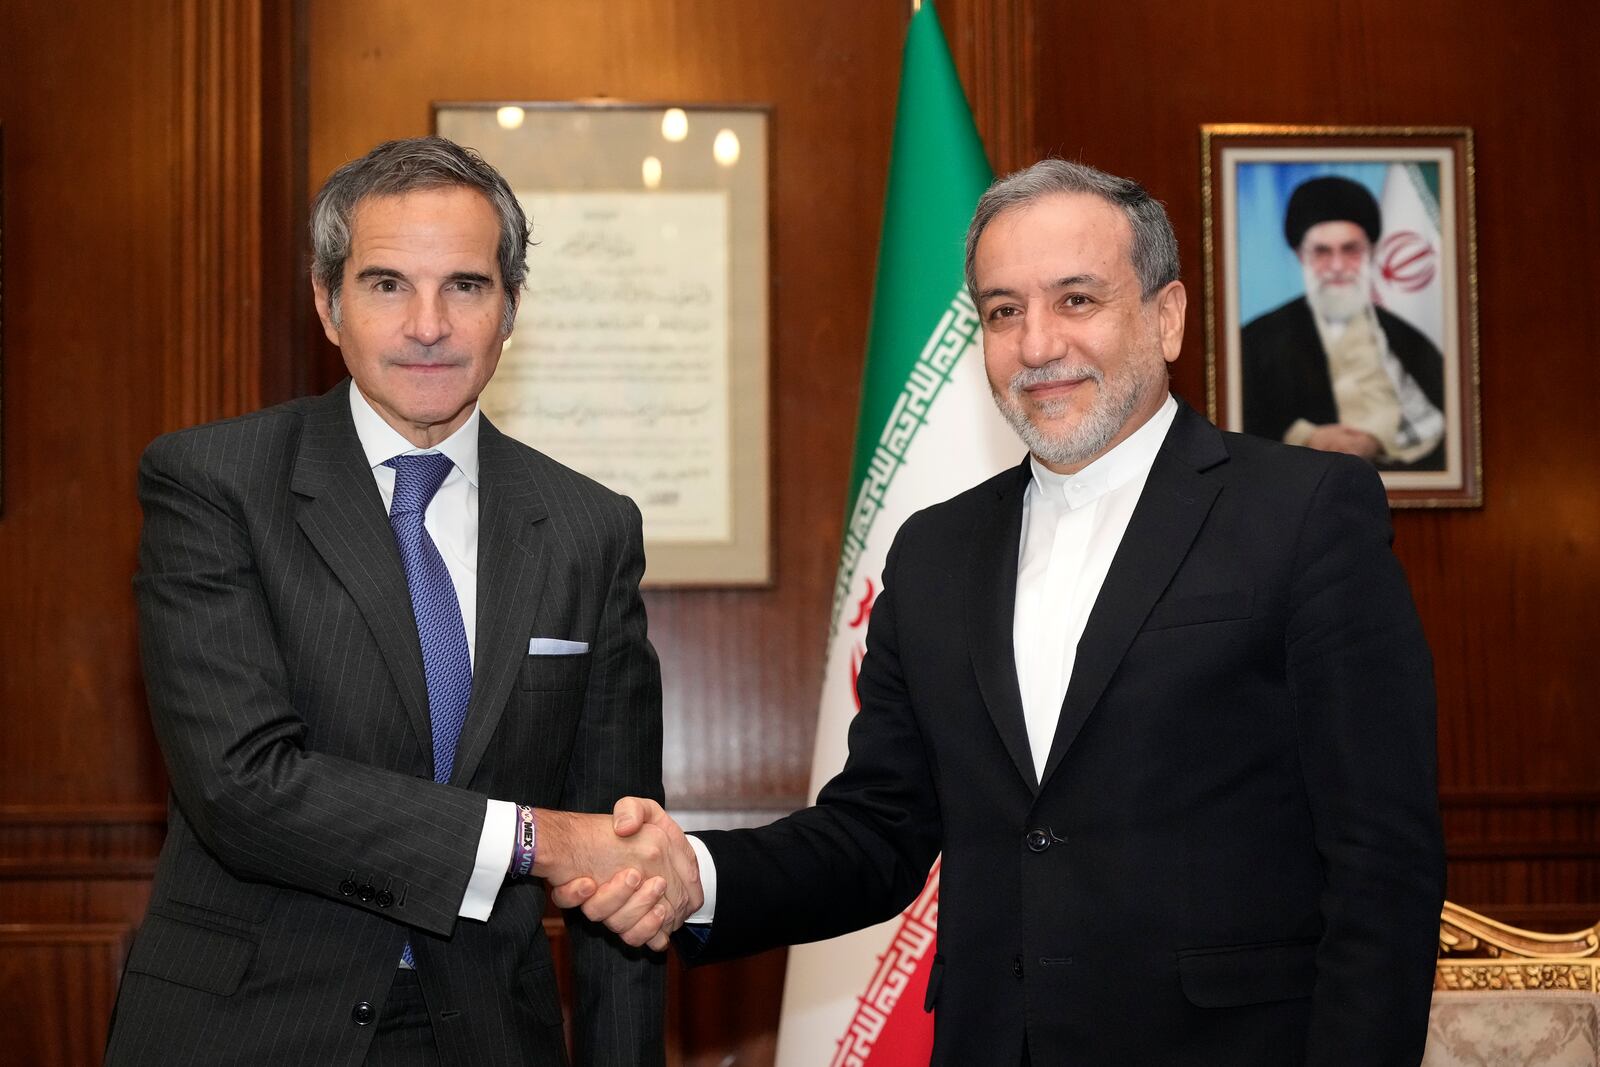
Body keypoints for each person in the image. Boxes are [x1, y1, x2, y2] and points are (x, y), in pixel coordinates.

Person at [561, 160, 1445, 1066]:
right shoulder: (935, 551)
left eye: (1076, 300)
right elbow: (878, 830)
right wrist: (694, 875)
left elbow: (1383, 863)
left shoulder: (1304, 512)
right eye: (1002, 311)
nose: (1036, 346)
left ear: (1167, 316)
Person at [105, 136, 700, 1067]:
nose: (429, 323)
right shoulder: (212, 483)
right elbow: (240, 784)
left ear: (509, 310)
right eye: (387, 284)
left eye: (464, 285)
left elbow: (618, 863)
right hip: (247, 1028)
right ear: (326, 302)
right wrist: (531, 837)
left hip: (491, 1037)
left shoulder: (590, 528)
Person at [1241, 175, 1447, 469]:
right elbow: (1239, 426)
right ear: (1301, 256)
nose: (1337, 267)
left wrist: (1379, 441)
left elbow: (1445, 429)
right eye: (1322, 252)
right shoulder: (1256, 341)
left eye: (1350, 250)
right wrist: (1304, 438)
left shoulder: (1408, 340)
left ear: (1371, 253)